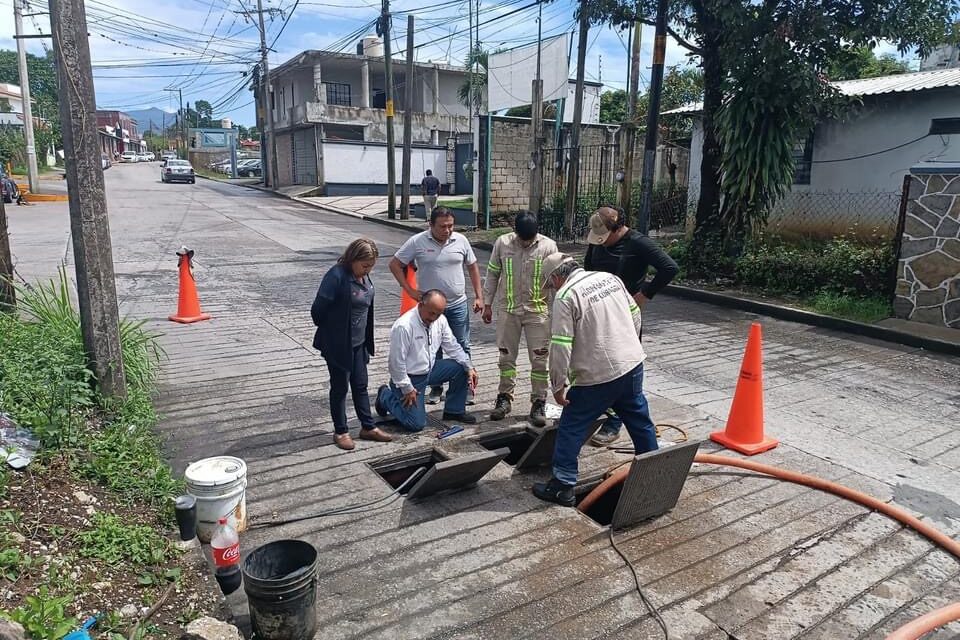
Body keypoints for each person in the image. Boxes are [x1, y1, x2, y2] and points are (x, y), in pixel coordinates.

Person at [532, 253, 658, 506]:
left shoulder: (566, 296)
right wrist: (629, 349)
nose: (553, 289)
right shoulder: (609, 278)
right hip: (632, 365)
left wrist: (558, 386)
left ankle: (562, 486)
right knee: (639, 419)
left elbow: (561, 345)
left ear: (557, 277)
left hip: (596, 376)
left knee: (572, 426)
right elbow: (635, 314)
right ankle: (653, 475)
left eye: (551, 284)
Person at [583, 205, 679, 446]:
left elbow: (669, 268)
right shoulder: (597, 241)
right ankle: (597, 410)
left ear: (618, 229)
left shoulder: (638, 243)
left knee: (623, 366)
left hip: (625, 315)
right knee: (598, 361)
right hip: (598, 313)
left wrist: (644, 294)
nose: (601, 243)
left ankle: (615, 421)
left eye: (605, 238)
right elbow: (587, 270)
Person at [390, 207, 482, 406]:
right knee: (433, 346)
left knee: (462, 345)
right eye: (442, 226)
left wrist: (479, 296)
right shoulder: (417, 241)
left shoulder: (461, 241)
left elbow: (473, 266)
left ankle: (465, 388)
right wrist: (409, 290)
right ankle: (436, 387)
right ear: (430, 225)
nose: (447, 230)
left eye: (450, 226)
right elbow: (395, 264)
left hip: (456, 303)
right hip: (429, 306)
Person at [311, 238, 394, 450]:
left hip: (359, 342)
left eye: (371, 266)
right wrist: (335, 330)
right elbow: (317, 312)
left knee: (360, 385)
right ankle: (341, 431)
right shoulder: (336, 276)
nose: (367, 270)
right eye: (364, 265)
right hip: (338, 344)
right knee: (340, 387)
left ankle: (368, 426)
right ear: (352, 259)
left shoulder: (364, 277)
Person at [481, 211, 558, 427]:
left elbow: (555, 281)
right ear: (514, 232)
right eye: (522, 239)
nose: (526, 243)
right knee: (506, 358)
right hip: (509, 310)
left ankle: (539, 401)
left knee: (540, 360)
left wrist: (561, 312)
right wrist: (487, 304)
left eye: (530, 239)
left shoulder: (548, 246)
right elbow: (493, 273)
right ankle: (504, 398)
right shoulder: (502, 243)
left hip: (538, 312)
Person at [375, 290, 480, 431]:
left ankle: (454, 411)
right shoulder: (404, 326)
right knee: (416, 424)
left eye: (438, 314)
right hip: (410, 378)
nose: (434, 318)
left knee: (461, 367)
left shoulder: (440, 320)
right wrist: (407, 388)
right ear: (421, 304)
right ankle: (385, 396)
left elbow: (452, 345)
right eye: (431, 313)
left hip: (430, 370)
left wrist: (469, 366)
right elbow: (396, 363)